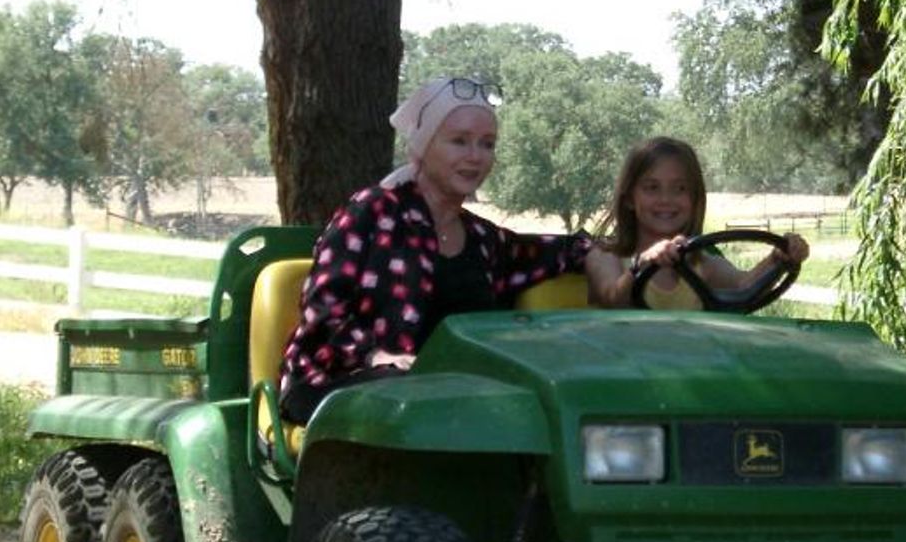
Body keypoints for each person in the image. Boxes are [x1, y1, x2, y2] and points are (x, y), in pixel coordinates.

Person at [279, 76, 607, 423]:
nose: (474, 156)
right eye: (459, 141)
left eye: (487, 144)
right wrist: (374, 355)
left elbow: (551, 251)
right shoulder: (372, 211)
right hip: (340, 384)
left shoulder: (483, 239)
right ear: (423, 145)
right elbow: (323, 309)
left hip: (443, 398)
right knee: (410, 395)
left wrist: (598, 253)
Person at [586, 136, 809, 309]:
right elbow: (612, 298)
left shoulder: (702, 266)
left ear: (694, 199)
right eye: (652, 188)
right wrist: (642, 264)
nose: (666, 200)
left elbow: (744, 285)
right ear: (629, 200)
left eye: (680, 189)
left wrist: (778, 259)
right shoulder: (605, 257)